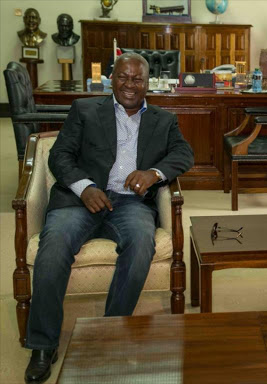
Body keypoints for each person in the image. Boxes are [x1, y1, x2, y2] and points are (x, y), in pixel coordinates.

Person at [24, 52, 194, 383]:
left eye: (137, 79)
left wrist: (153, 173)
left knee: (141, 243)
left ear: (148, 83)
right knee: (54, 244)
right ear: (111, 79)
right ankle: (43, 345)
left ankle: (109, 333)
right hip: (80, 200)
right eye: (123, 77)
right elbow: (60, 155)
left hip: (131, 203)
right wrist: (84, 187)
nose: (130, 85)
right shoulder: (84, 109)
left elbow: (184, 154)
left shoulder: (164, 119)